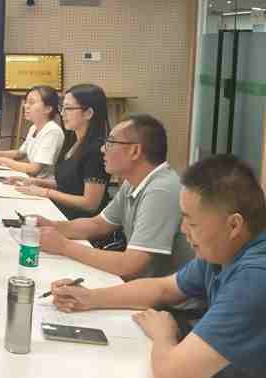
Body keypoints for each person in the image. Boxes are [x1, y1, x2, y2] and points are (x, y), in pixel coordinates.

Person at [50, 155, 266, 378]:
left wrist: (164, 334)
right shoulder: (222, 251)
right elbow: (164, 288)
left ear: (233, 225)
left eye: (192, 223)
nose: (183, 229)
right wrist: (91, 297)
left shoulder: (255, 278)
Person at [35, 114, 193, 280]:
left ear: (134, 151)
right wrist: (52, 226)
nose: (102, 149)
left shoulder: (161, 190)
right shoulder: (133, 181)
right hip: (143, 285)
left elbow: (131, 266)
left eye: (110, 143)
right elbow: (98, 224)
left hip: (166, 295)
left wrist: (63, 246)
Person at [15, 83, 110, 219]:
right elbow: (68, 185)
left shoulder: (96, 150)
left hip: (77, 221)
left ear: (88, 113)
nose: (62, 113)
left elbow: (90, 204)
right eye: (62, 108)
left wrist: (46, 192)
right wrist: (36, 182)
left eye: (69, 108)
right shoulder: (73, 142)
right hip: (59, 210)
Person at [0, 85, 64, 177]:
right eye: (26, 102)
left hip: (41, 182)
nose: (26, 106)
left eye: (31, 102)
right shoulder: (34, 128)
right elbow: (20, 154)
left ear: (48, 109)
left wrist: (1, 161)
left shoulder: (52, 132)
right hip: (30, 180)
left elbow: (34, 169)